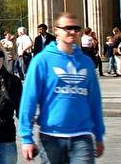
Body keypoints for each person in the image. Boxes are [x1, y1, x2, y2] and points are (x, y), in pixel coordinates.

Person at [19, 12, 105, 163]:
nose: (72, 32)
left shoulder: (86, 63)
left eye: (76, 28)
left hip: (82, 136)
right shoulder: (42, 61)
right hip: (51, 137)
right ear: (56, 30)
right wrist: (26, 138)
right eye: (68, 28)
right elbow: (29, 99)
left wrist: (98, 134)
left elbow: (94, 101)